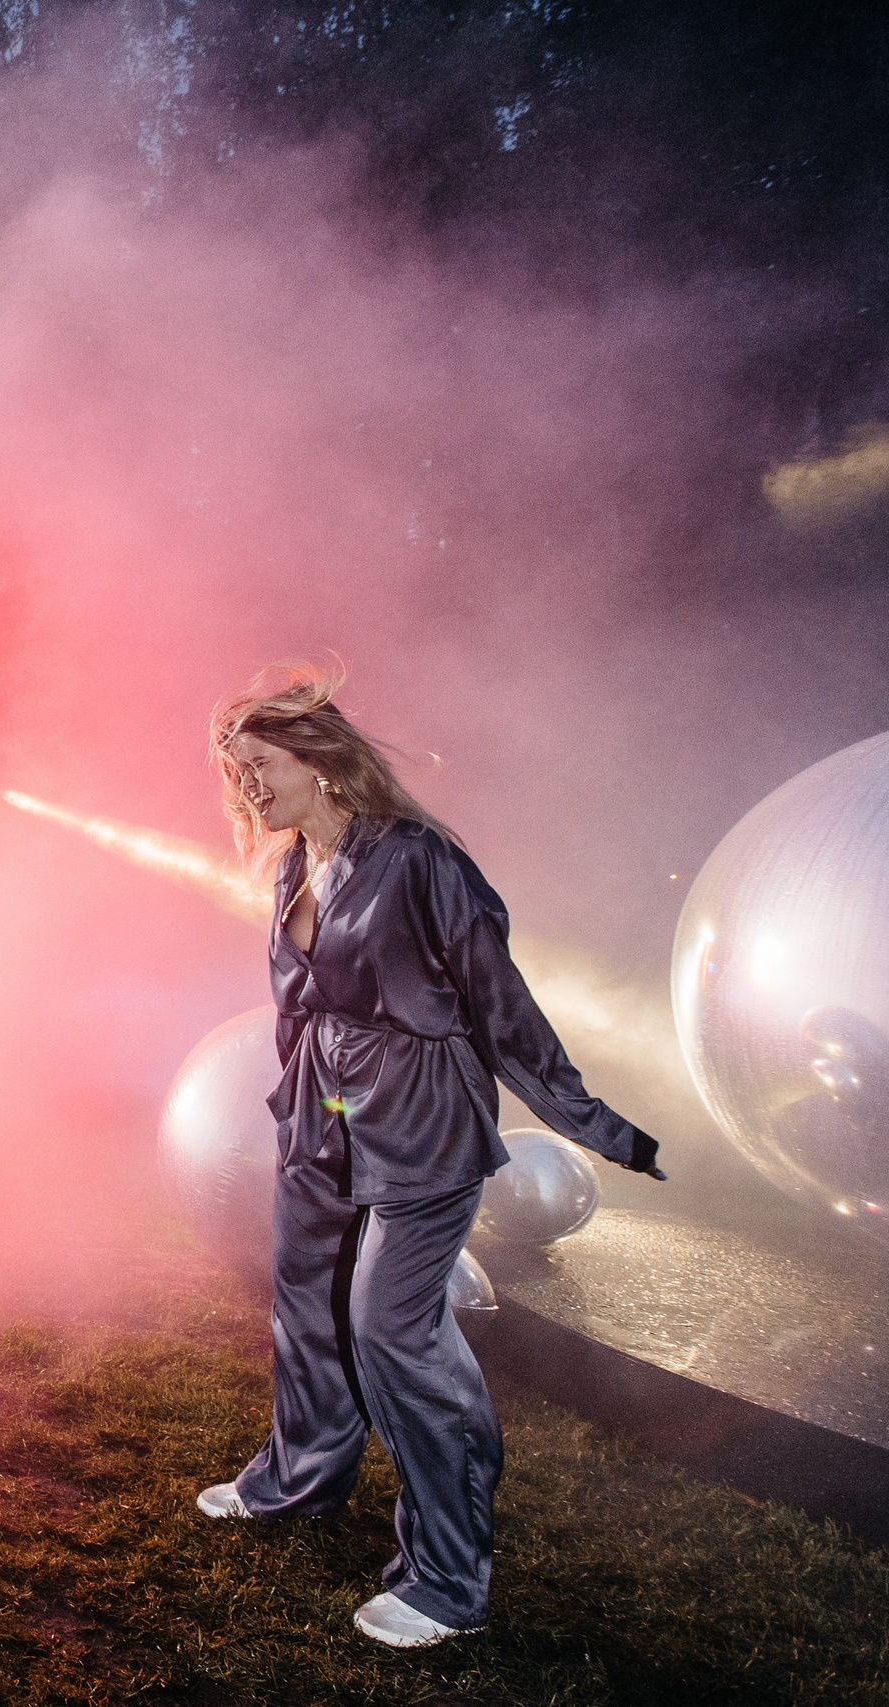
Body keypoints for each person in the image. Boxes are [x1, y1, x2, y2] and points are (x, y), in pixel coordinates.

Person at [195, 665, 663, 1649]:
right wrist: (302, 1110)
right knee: (308, 1302)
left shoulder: (418, 860)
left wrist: (592, 1122)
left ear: (320, 761)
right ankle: (299, 1479)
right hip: (324, 1108)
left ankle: (448, 1579)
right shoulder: (292, 866)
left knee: (392, 1327)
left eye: (260, 764)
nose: (247, 787)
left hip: (422, 1114)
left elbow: (500, 1004)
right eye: (235, 772)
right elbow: (298, 1004)